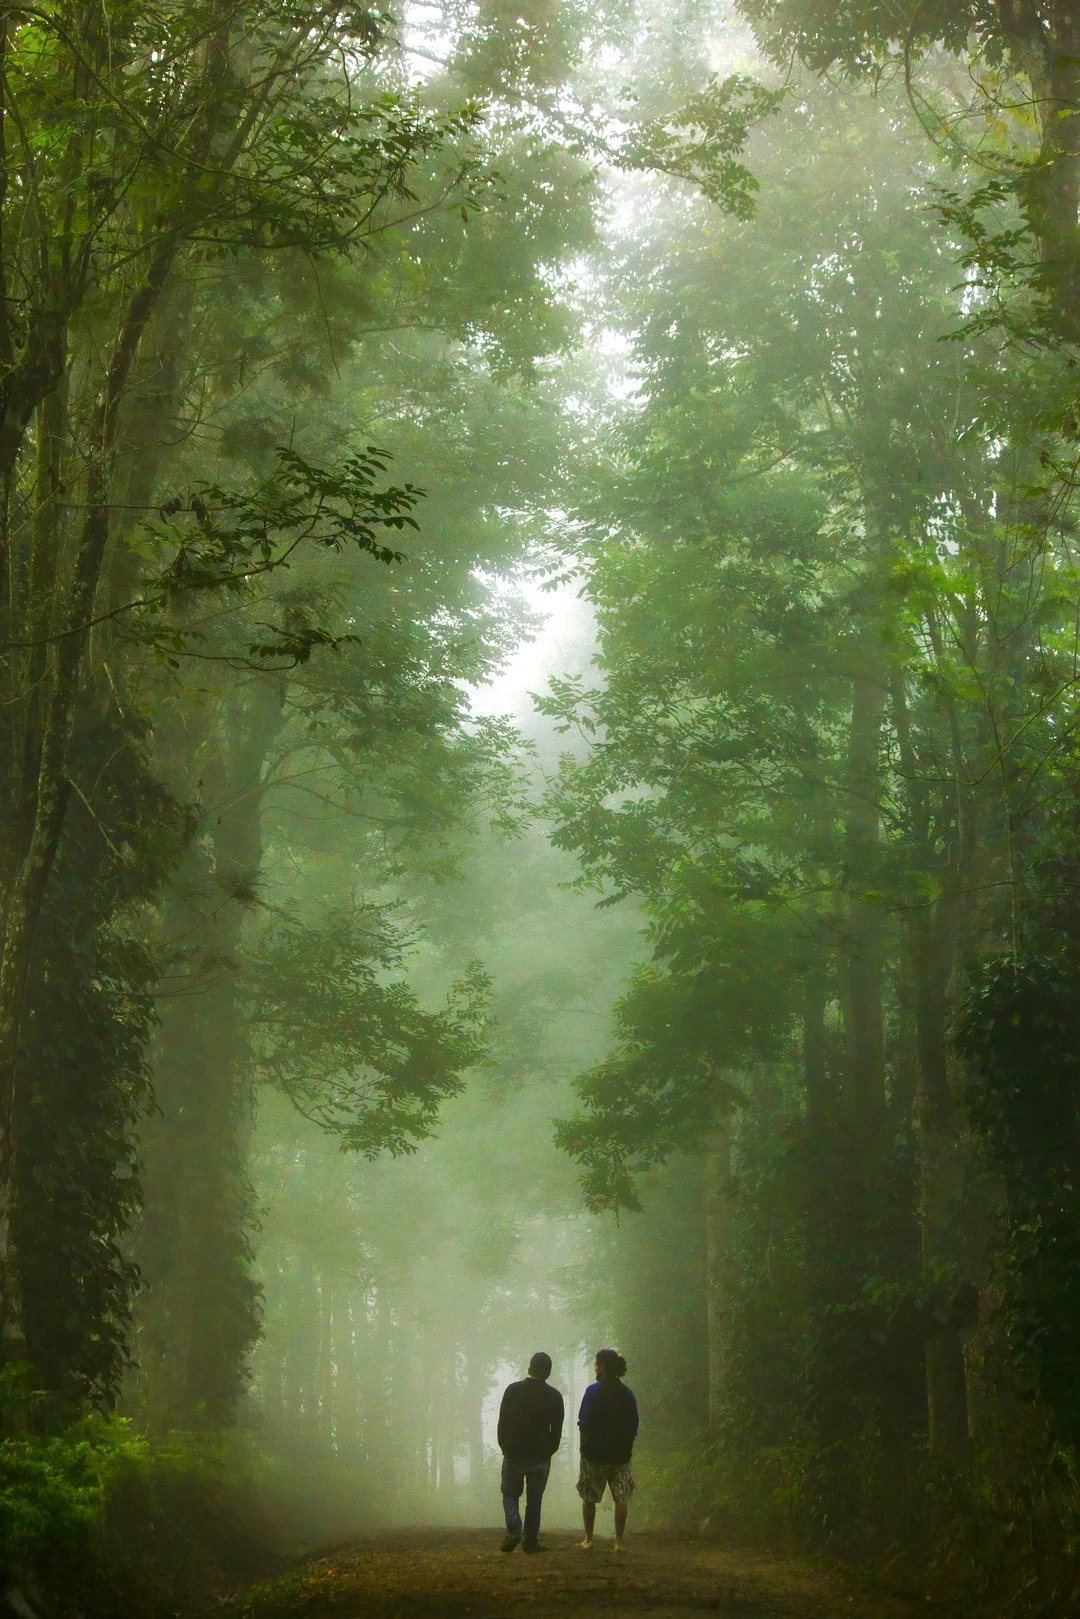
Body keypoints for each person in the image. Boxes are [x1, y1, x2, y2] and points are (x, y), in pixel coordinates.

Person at [497, 1351, 564, 1554]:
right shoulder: (555, 1396)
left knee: (509, 1494)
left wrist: (505, 1447)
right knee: (535, 1501)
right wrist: (549, 1451)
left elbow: (503, 1422)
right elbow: (557, 1430)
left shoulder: (512, 1390)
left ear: (529, 1368)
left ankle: (514, 1529)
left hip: (514, 1454)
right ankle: (530, 1541)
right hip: (540, 1456)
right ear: (548, 1372)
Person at [576, 1348, 638, 1552]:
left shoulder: (592, 1391)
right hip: (620, 1455)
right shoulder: (627, 1393)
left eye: (596, 1364)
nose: (594, 1367)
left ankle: (589, 1538)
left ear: (602, 1368)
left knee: (589, 1497)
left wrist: (584, 1449)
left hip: (595, 1454)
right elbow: (633, 1424)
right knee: (621, 1497)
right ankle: (619, 1541)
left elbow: (584, 1423)